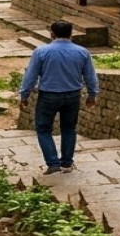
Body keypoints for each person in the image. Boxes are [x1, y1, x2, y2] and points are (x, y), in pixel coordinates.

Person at [19, 21, 98, 175]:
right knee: (69, 128)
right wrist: (92, 94)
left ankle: (53, 163)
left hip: (48, 95)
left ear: (52, 34)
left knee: (43, 128)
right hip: (73, 95)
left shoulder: (41, 52)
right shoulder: (82, 52)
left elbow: (31, 76)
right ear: (71, 34)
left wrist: (24, 95)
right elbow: (90, 75)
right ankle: (67, 163)